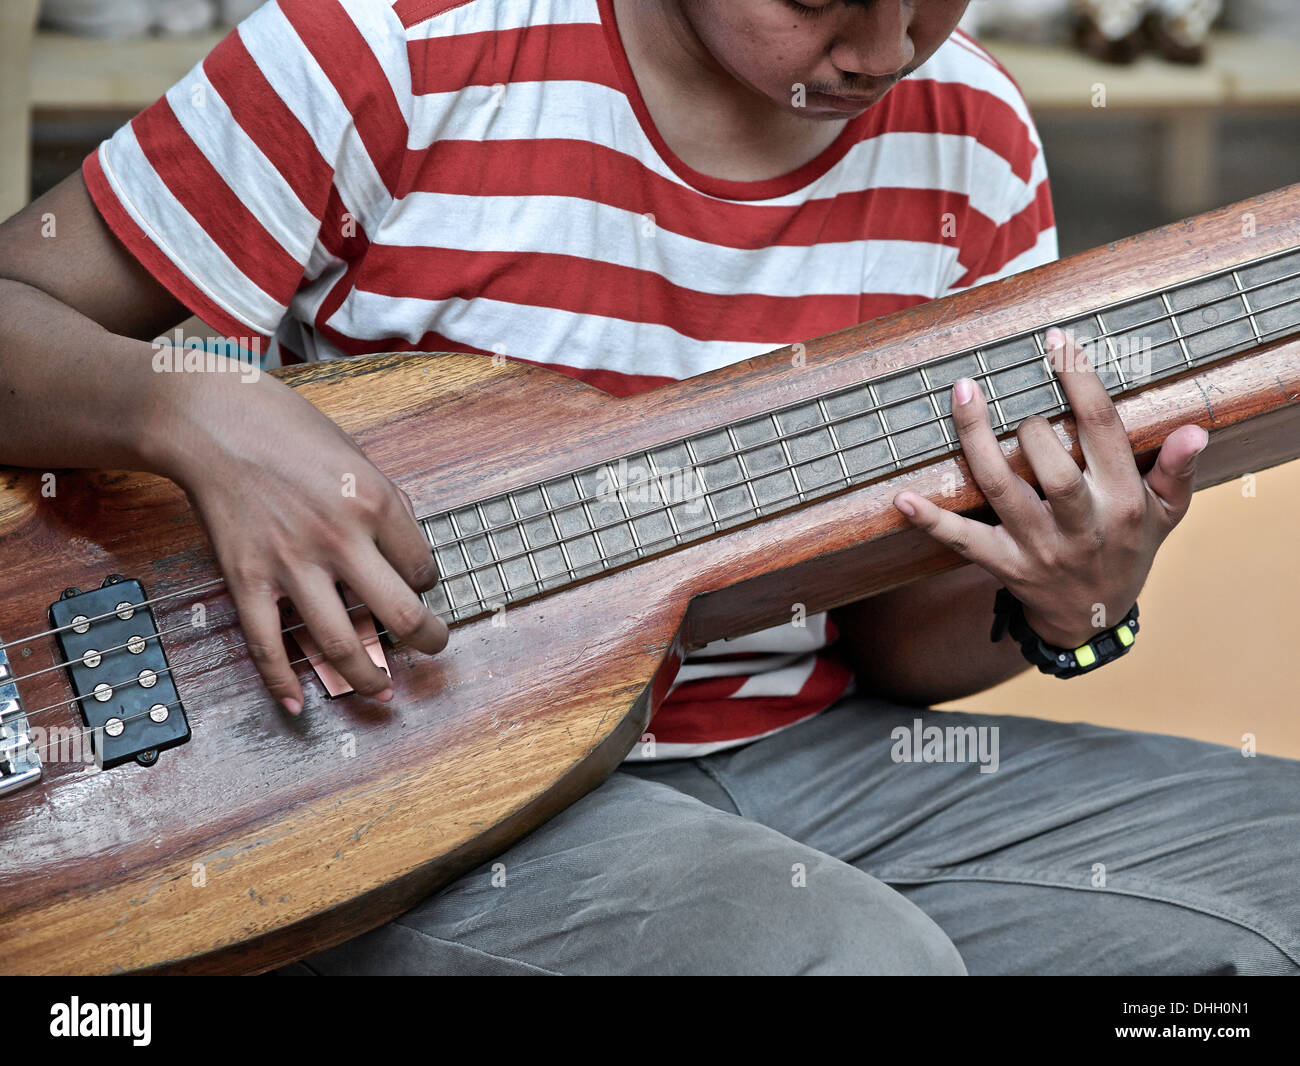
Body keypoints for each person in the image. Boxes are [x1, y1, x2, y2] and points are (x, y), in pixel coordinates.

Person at [0, 0, 1295, 975]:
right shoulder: (385, 52)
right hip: (405, 770)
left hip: (814, 751)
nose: (885, 49)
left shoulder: (975, 135)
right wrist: (188, 406)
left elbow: (904, 644)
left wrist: (1064, 603)